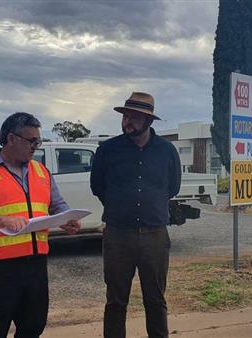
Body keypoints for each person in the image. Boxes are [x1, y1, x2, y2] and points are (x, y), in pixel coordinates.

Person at [0, 112, 81, 338]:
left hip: (35, 264)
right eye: (31, 141)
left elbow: (57, 204)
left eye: (38, 141)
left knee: (33, 327)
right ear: (12, 139)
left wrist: (67, 219)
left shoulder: (41, 171)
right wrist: (1, 220)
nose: (35, 146)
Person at [90, 92, 181, 338]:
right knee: (116, 300)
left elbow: (173, 187)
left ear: (148, 122)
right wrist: (122, 207)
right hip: (118, 236)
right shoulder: (107, 150)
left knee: (155, 299)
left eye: (134, 117)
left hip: (155, 236)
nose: (126, 121)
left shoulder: (167, 151)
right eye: (125, 116)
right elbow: (97, 186)